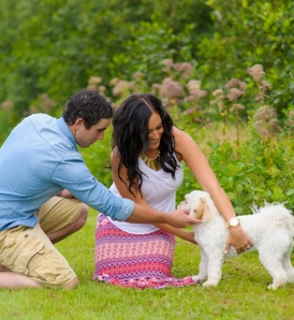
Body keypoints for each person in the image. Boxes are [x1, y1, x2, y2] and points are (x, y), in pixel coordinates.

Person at [0, 89, 201, 292]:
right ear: (79, 123)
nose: (102, 138)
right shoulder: (65, 160)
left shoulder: (36, 121)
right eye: (99, 130)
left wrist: (61, 189)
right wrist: (169, 218)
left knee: (78, 211)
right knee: (64, 282)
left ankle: (9, 264)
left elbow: (27, 169)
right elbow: (113, 207)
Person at [93, 93, 253, 289]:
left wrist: (233, 225)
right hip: (124, 221)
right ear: (132, 131)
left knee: (154, 273)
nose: (155, 136)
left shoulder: (179, 140)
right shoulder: (121, 156)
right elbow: (140, 208)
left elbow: (213, 187)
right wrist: (183, 233)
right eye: (147, 131)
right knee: (112, 274)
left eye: (158, 127)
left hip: (160, 226)